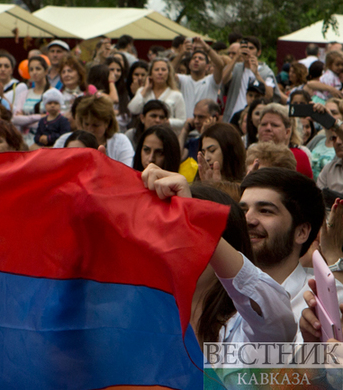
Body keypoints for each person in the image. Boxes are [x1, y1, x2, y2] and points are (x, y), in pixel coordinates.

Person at [142, 167, 296, 347]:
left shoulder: (245, 331)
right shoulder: (149, 318)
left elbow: (279, 323)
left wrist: (196, 218)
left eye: (187, 232)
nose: (171, 245)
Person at [239, 167, 343, 341]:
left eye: (265, 210)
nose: (248, 220)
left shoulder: (330, 303)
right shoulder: (220, 295)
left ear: (301, 232)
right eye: (243, 210)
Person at [54, 95, 133, 166]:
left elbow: (126, 171)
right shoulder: (64, 140)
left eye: (96, 125)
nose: (90, 129)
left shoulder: (121, 142)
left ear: (107, 123)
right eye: (86, 124)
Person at [222, 36, 279, 122]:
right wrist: (236, 58)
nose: (247, 50)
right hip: (233, 118)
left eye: (251, 48)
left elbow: (269, 95)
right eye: (244, 47)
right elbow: (222, 80)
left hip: (255, 119)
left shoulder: (266, 72)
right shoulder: (236, 67)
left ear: (259, 52)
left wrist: (256, 74)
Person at [128, 58, 186, 131]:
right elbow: (132, 109)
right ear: (151, 73)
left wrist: (167, 122)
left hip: (166, 133)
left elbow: (182, 121)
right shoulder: (143, 91)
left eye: (163, 70)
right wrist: (145, 89)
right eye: (156, 70)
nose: (160, 73)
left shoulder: (176, 95)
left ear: (168, 73)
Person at [172, 38, 224, 118]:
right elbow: (169, 72)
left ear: (207, 67)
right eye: (194, 58)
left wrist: (206, 47)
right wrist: (182, 53)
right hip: (184, 125)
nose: (196, 60)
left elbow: (220, 65)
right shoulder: (182, 79)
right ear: (189, 65)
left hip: (206, 125)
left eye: (200, 59)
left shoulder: (212, 81)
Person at [257, 103, 313, 178]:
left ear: (287, 132)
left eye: (274, 125)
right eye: (263, 124)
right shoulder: (252, 153)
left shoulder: (299, 157)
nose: (268, 128)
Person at [12, 56, 50, 137]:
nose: (34, 72)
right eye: (31, 69)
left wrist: (25, 120)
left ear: (46, 71)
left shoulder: (52, 93)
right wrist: (40, 116)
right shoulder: (24, 94)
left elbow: (53, 120)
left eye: (38, 69)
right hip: (26, 139)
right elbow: (15, 119)